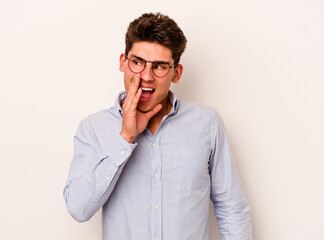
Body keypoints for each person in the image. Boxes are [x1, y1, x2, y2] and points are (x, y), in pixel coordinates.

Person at [63, 12, 252, 240]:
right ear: (123, 63)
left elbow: (232, 208)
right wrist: (125, 138)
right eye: (137, 63)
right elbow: (78, 208)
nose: (146, 76)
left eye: (160, 66)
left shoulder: (207, 123)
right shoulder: (93, 129)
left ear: (177, 73)